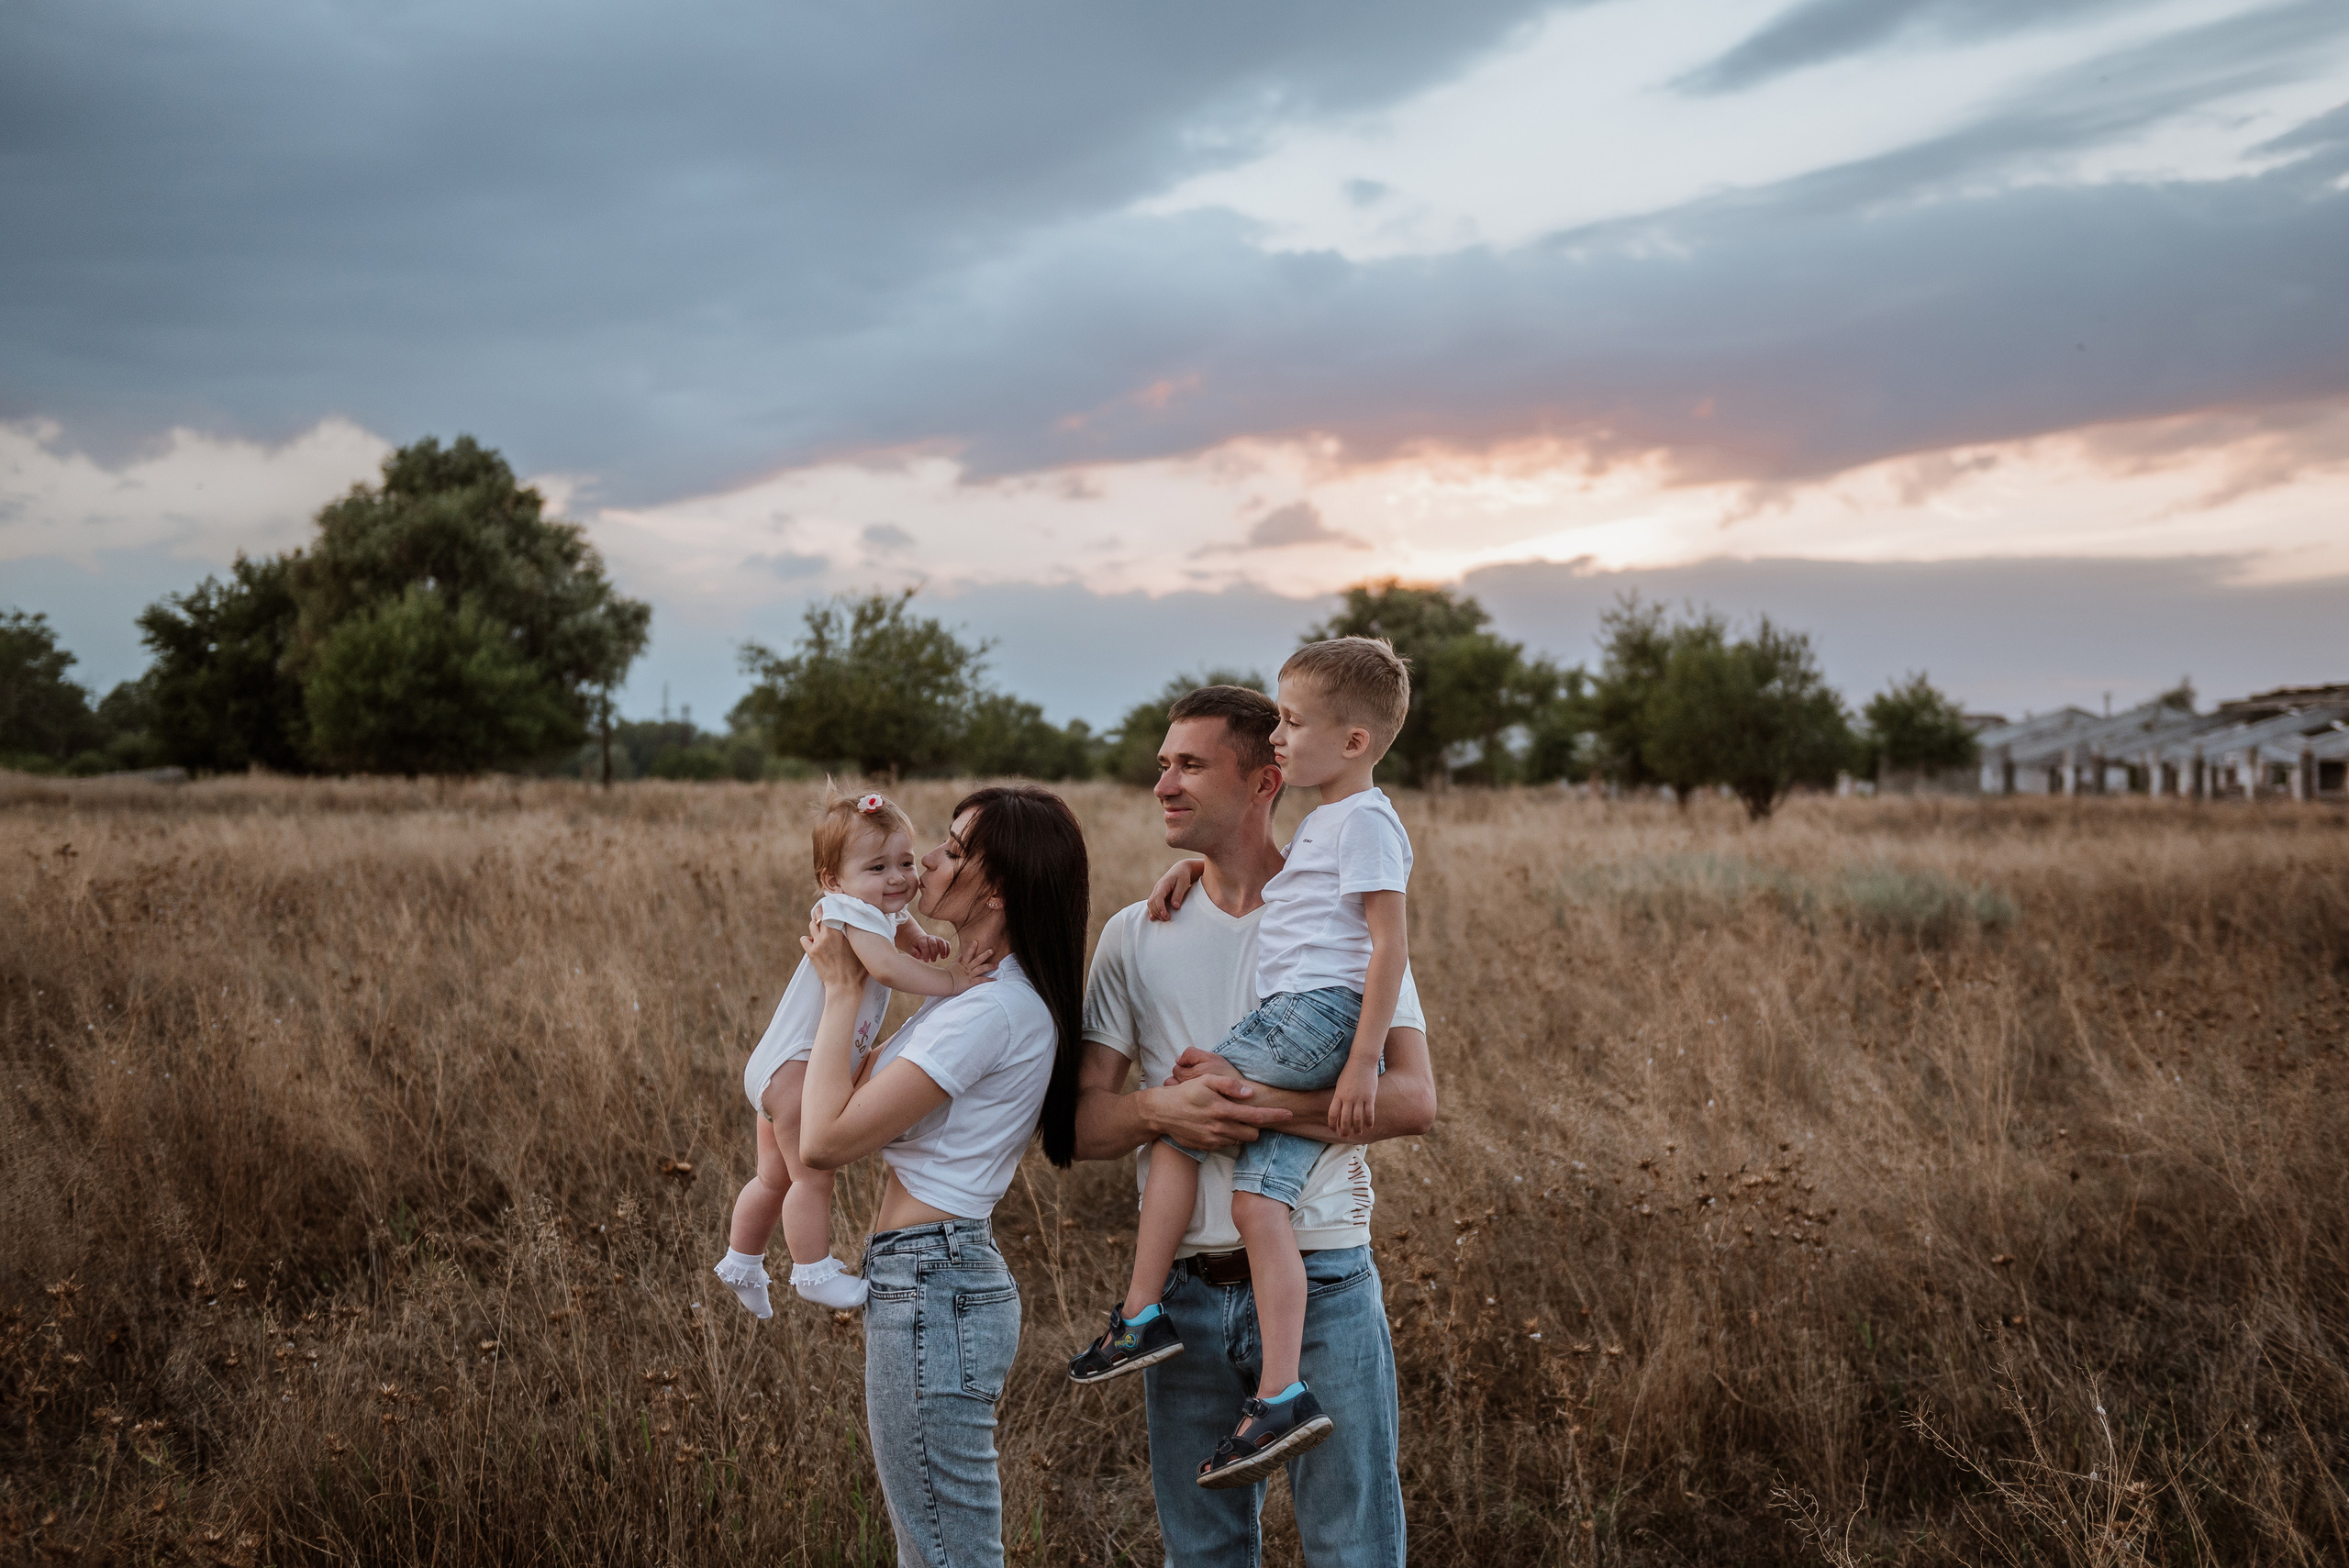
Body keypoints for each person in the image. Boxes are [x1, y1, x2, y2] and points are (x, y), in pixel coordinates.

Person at [1073, 683, 1434, 1565]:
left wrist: (1254, 1110)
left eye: (1190, 765)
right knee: (1201, 1556)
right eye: (1163, 764)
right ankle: (1137, 1314)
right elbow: (1081, 1123)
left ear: (1267, 778)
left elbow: (1414, 1099)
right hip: (1184, 1300)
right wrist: (1168, 1108)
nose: (1164, 783)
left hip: (1327, 1283)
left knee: (1355, 1549)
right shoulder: (1134, 933)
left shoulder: (1340, 923)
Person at [797, 784, 1090, 1568]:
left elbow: (823, 1138)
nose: (927, 858)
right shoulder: (982, 994)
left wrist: (838, 987)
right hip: (932, 1278)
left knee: (944, 1555)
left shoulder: (989, 1011)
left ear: (995, 889)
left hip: (934, 1282)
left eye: (954, 850)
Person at [714, 790, 995, 1317]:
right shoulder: (849, 913)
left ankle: (742, 1260)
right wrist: (951, 977)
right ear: (832, 879)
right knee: (811, 1177)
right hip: (799, 1068)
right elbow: (886, 969)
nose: (898, 879)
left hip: (780, 1068)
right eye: (877, 867)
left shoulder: (867, 907)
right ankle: (812, 1271)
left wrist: (916, 936)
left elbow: (898, 928)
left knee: (772, 1178)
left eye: (906, 863)